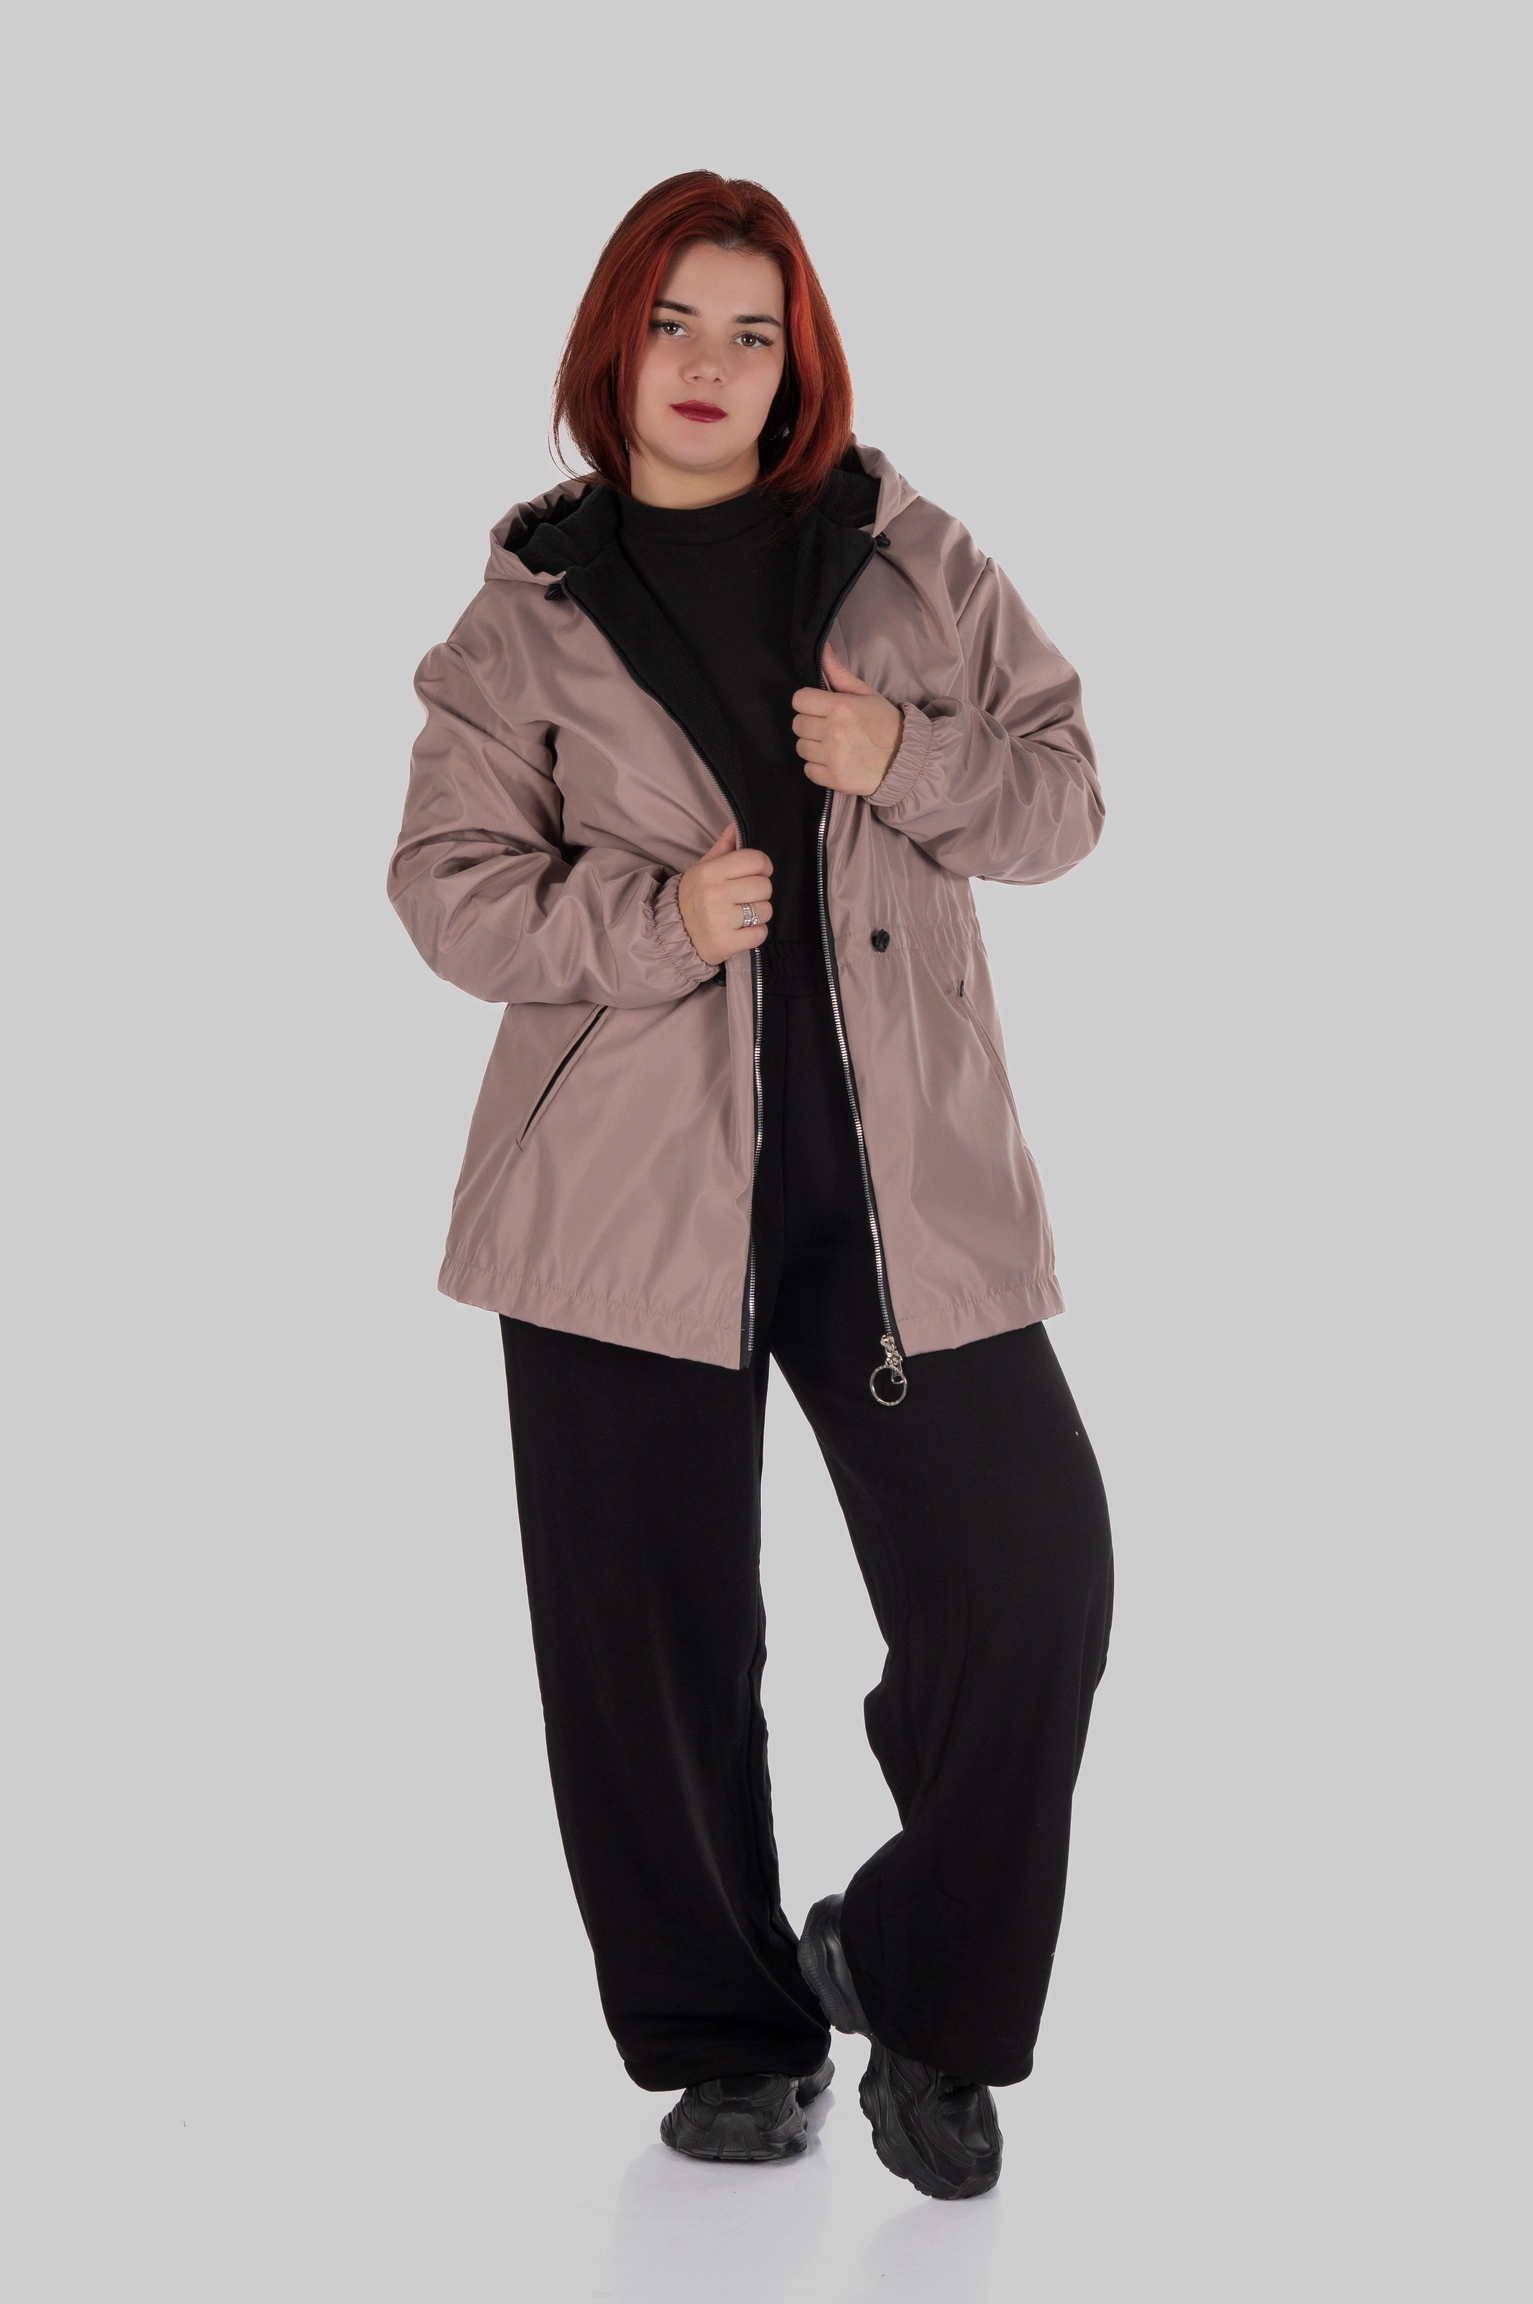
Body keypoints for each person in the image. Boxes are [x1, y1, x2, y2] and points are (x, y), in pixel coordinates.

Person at [387, 170, 1113, 2204]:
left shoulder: (910, 557)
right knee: (648, 1644)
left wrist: (909, 757)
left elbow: (1064, 792)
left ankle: (920, 1975)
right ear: (611, 346)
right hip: (614, 1209)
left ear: (798, 366)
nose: (708, 367)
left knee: (1034, 1575)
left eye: (751, 333)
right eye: (673, 325)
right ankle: (725, 2032)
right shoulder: (518, 622)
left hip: (899, 1191)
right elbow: (447, 891)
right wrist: (652, 921)